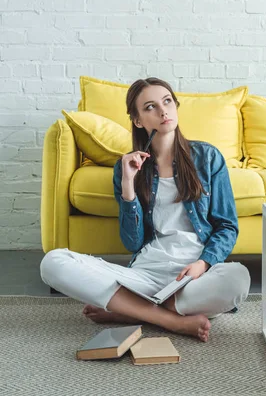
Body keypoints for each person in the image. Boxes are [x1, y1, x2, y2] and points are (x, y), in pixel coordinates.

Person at [40, 77, 250, 342]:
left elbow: (227, 225)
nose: (163, 111)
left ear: (175, 105)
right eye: (150, 107)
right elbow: (132, 242)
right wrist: (128, 185)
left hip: (192, 279)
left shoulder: (207, 157)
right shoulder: (127, 168)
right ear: (138, 120)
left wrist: (202, 263)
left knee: (238, 277)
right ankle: (169, 319)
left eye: (167, 101)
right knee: (53, 262)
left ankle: (131, 310)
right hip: (144, 276)